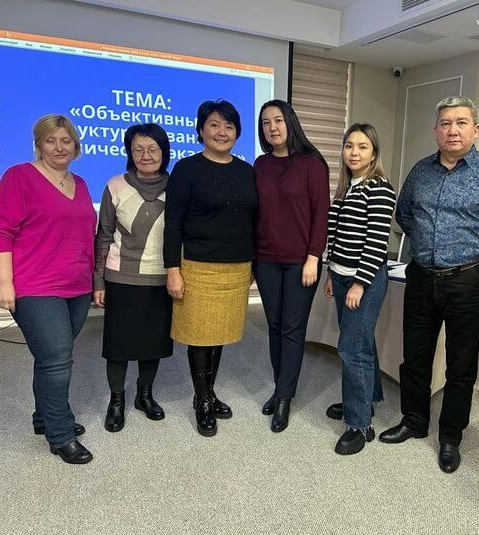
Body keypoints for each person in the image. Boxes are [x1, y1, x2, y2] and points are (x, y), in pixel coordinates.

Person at [379, 96, 479, 474]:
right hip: (421, 277)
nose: (452, 130)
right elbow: (404, 213)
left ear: (475, 129)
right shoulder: (420, 171)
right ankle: (414, 420)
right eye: (445, 123)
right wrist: (427, 242)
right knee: (415, 356)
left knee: (461, 364)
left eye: (461, 123)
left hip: (468, 281)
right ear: (435, 131)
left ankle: (450, 435)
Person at [0, 114, 96, 464]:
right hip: (35, 285)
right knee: (57, 358)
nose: (59, 147)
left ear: (75, 145)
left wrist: (94, 281)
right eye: (51, 141)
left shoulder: (80, 182)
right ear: (39, 144)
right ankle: (60, 435)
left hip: (76, 286)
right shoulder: (19, 176)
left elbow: (84, 236)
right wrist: (5, 282)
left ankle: (43, 416)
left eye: (65, 140)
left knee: (50, 358)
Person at [164, 100, 257, 437]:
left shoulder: (247, 171)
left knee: (219, 334)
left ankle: (209, 392)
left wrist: (253, 265)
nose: (222, 132)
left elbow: (253, 221)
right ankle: (202, 400)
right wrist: (172, 269)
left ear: (237, 133)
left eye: (229, 126)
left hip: (236, 267)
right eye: (214, 125)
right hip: (198, 266)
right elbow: (173, 223)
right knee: (200, 336)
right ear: (201, 130)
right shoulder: (186, 169)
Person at [253, 100, 330, 432]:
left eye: (278, 120)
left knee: (292, 328)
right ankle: (279, 387)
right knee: (274, 326)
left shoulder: (312, 163)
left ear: (291, 123)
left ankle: (285, 397)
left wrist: (313, 257)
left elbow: (321, 214)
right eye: (266, 122)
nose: (272, 127)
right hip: (266, 260)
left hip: (301, 262)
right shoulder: (260, 164)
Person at [93, 123, 173, 433]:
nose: (145, 155)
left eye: (152, 148)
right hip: (121, 277)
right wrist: (98, 280)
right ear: (129, 152)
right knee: (119, 344)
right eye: (138, 149)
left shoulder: (177, 186)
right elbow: (104, 235)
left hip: (161, 277)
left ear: (164, 151)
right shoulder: (115, 185)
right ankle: (117, 400)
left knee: (153, 343)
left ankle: (145, 395)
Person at [323, 123, 396, 455]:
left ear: (374, 153)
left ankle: (359, 424)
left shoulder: (379, 188)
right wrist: (331, 274)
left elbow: (376, 243)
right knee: (361, 343)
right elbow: (336, 236)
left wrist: (359, 284)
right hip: (340, 276)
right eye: (349, 145)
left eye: (362, 146)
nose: (354, 152)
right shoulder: (345, 187)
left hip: (362, 280)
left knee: (352, 350)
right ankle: (365, 400)